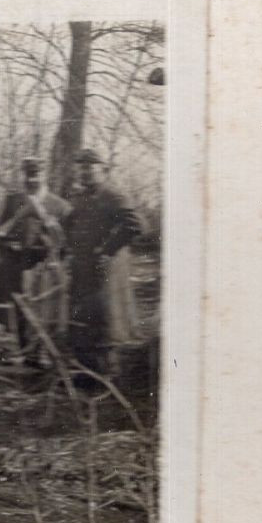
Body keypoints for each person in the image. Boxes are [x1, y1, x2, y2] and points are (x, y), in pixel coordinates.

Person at [63, 149, 145, 375]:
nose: (84, 173)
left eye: (89, 168)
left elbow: (135, 224)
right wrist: (68, 249)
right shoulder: (79, 198)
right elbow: (69, 226)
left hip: (101, 271)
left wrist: (108, 250)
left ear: (102, 169)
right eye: (81, 169)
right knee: (79, 319)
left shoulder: (113, 196)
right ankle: (84, 372)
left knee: (101, 320)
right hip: (79, 268)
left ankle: (104, 375)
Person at [0, 156, 71, 360]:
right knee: (13, 312)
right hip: (15, 264)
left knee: (41, 314)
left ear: (44, 175)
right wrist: (7, 247)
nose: (31, 180)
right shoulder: (13, 200)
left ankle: (39, 354)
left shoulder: (60, 206)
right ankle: (16, 351)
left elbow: (65, 244)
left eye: (35, 175)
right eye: (28, 175)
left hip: (42, 268)